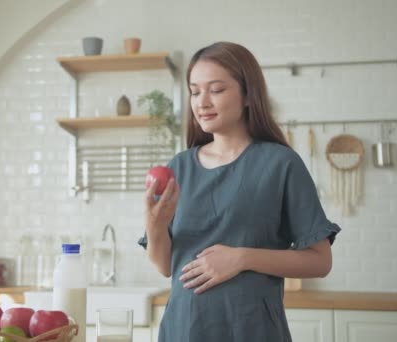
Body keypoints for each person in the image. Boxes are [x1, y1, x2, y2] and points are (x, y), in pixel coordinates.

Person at [138, 41, 341, 342]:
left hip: (253, 330)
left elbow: (320, 261)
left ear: (248, 94)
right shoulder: (179, 167)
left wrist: (242, 258)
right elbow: (166, 266)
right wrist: (155, 225)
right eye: (195, 91)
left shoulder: (280, 163)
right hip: (184, 328)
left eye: (216, 90)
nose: (202, 102)